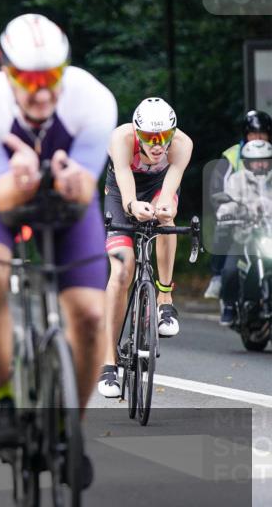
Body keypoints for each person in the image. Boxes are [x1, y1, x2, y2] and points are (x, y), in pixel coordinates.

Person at [0, 13, 117, 485]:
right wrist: (23, 174)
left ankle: (68, 430)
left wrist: (67, 180)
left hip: (62, 194)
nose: (43, 92)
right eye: (28, 79)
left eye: (53, 78)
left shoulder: (93, 99)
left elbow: (84, 192)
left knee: (88, 315)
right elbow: (2, 198)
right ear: (6, 69)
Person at [98, 98, 193, 398]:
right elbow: (125, 183)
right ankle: (108, 363)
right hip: (121, 190)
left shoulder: (182, 145)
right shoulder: (121, 138)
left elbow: (169, 188)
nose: (157, 144)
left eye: (163, 136)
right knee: (122, 269)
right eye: (150, 138)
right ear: (137, 132)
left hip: (157, 187)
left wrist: (162, 208)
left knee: (167, 220)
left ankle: (165, 298)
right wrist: (131, 206)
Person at [204, 110, 272, 300]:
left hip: (268, 219)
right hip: (241, 219)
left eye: (262, 134)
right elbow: (218, 188)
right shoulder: (233, 155)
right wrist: (228, 208)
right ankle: (217, 277)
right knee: (224, 231)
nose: (258, 138)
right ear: (245, 135)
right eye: (253, 134)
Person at [215, 139, 272, 324]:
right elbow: (227, 203)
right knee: (230, 270)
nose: (260, 164)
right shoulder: (236, 179)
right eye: (256, 161)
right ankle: (230, 306)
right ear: (246, 162)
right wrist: (228, 214)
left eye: (265, 160)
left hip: (268, 234)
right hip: (243, 235)